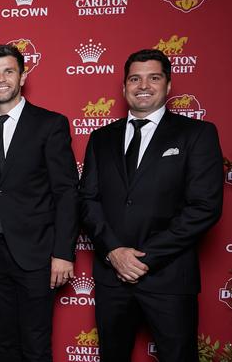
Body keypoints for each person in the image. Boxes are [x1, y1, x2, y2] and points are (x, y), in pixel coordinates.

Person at [79, 49, 223, 361]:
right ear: (124, 87)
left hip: (169, 277)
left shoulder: (197, 134)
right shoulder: (100, 138)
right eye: (135, 78)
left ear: (168, 86)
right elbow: (88, 201)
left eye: (153, 77)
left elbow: (204, 207)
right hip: (111, 277)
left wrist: (144, 258)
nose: (143, 85)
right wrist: (115, 252)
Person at [0, 43, 79, 361]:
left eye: (8, 71)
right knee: (5, 340)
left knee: (36, 341)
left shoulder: (49, 124)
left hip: (37, 253)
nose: (1, 79)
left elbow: (66, 192)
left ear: (23, 76)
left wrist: (63, 253)